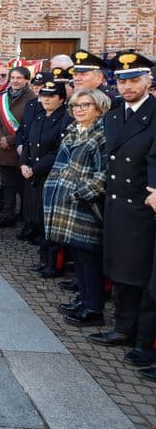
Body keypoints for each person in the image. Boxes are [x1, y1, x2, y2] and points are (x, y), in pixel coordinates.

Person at [90, 52, 156, 372]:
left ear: (148, 81)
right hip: (116, 204)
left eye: (133, 80)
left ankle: (142, 339)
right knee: (119, 269)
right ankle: (121, 327)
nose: (127, 86)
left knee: (141, 275)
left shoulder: (155, 114)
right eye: (122, 81)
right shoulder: (114, 115)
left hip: (142, 207)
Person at [43, 88, 110, 327]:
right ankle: (83, 299)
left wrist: (80, 192)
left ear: (99, 108)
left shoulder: (102, 135)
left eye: (85, 105)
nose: (79, 110)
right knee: (78, 256)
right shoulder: (73, 130)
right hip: (66, 203)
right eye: (75, 106)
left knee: (89, 256)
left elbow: (105, 174)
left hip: (86, 205)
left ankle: (94, 308)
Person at [19, 78, 71, 277]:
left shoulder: (65, 119)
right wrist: (23, 163)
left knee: (49, 222)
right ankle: (44, 259)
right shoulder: (39, 117)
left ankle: (54, 263)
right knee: (37, 218)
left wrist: (35, 168)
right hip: (33, 175)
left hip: (49, 175)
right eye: (44, 95)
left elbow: (59, 150)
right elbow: (28, 143)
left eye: (51, 96)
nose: (46, 99)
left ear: (61, 99)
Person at [0, 66, 36, 228]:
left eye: (19, 78)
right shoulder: (2, 97)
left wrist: (10, 140)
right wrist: (0, 138)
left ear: (26, 80)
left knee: (24, 186)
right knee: (7, 184)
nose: (15, 81)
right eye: (13, 78)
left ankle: (25, 216)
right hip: (4, 149)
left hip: (21, 148)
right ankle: (7, 215)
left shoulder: (33, 99)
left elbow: (30, 126)